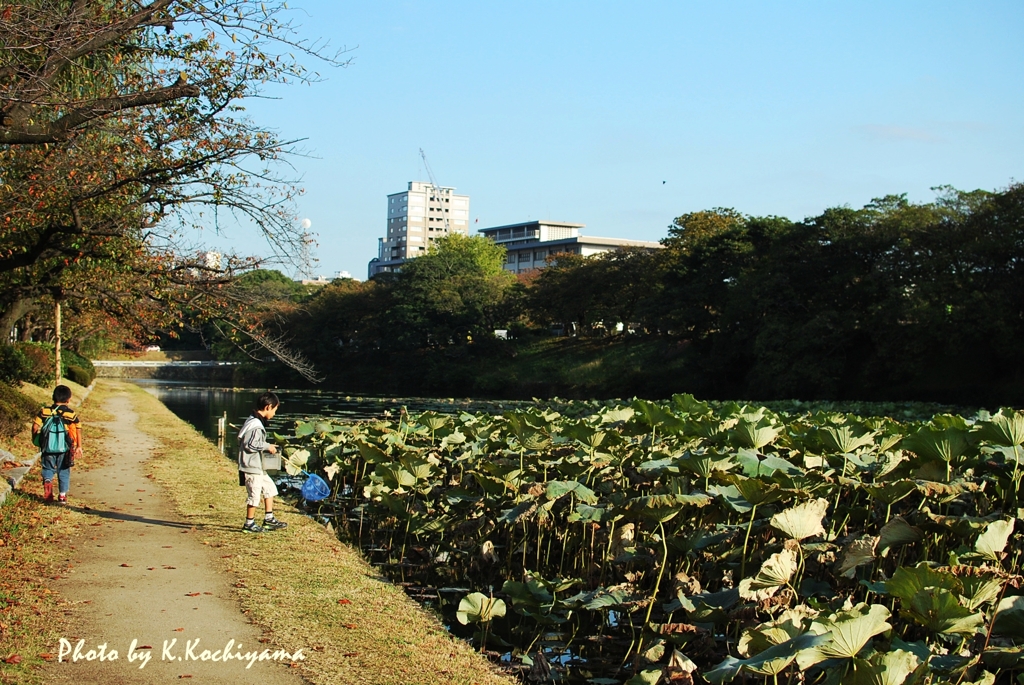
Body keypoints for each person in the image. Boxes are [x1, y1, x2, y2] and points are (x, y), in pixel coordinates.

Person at [238, 391, 288, 533]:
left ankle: (269, 518)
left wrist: (268, 446)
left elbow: (253, 442)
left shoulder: (254, 420)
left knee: (270, 488)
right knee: (254, 495)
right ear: (268, 407)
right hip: (251, 467)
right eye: (275, 410)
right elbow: (250, 445)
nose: (274, 414)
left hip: (258, 466)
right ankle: (249, 523)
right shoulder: (256, 425)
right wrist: (267, 446)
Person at [32, 384, 82, 504]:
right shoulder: (70, 413)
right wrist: (79, 446)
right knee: (63, 470)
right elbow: (78, 428)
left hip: (47, 447)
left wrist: (35, 438)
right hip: (64, 448)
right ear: (68, 399)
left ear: (53, 397)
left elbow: (35, 426)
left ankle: (48, 480)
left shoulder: (45, 411)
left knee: (47, 467)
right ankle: (62, 496)